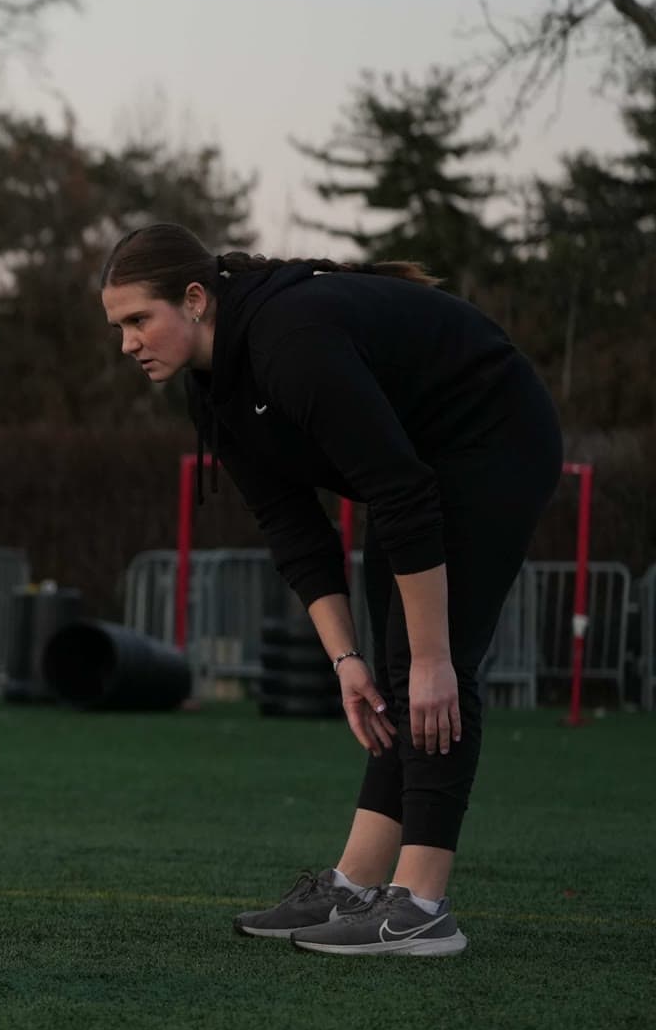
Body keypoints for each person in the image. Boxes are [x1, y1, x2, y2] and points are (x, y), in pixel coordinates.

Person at [100, 224, 562, 957]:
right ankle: (356, 884)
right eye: (118, 327)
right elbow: (295, 530)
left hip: (492, 439)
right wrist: (347, 661)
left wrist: (438, 658)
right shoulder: (213, 393)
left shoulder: (291, 339)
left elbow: (401, 492)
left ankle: (422, 910)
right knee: (395, 670)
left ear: (193, 300)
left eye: (137, 320)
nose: (127, 343)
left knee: (430, 668)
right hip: (416, 468)